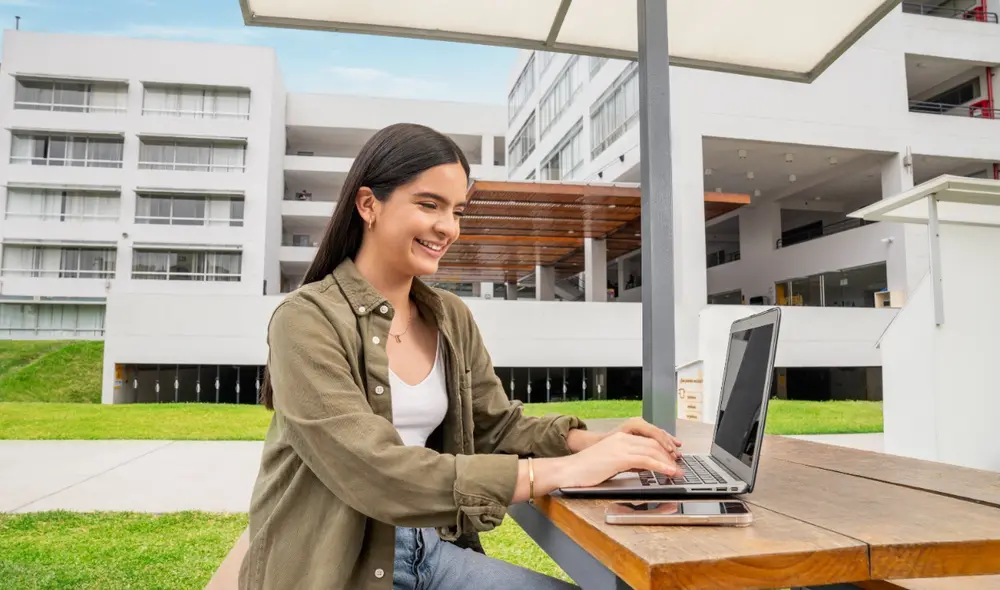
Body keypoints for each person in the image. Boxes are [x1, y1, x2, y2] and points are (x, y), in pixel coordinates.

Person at [238, 123, 683, 590]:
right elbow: (374, 471)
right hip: (334, 569)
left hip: (427, 550)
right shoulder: (305, 319)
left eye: (457, 210)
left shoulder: (449, 315)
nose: (447, 227)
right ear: (369, 204)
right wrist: (566, 471)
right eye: (429, 205)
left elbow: (496, 425)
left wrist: (593, 443)